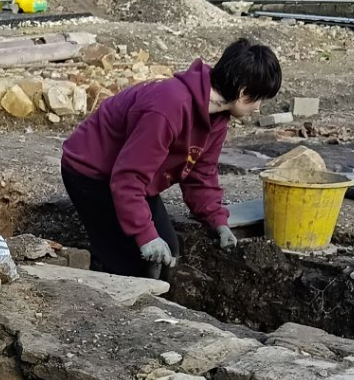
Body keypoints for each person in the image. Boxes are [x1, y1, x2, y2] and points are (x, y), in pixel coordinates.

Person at [60, 37, 282, 279]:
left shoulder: (218, 118)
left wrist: (217, 220)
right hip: (91, 172)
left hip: (132, 177)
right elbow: (127, 178)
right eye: (258, 98)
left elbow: (201, 173)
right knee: (132, 261)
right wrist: (146, 237)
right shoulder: (168, 107)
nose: (258, 108)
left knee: (168, 251)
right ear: (241, 92)